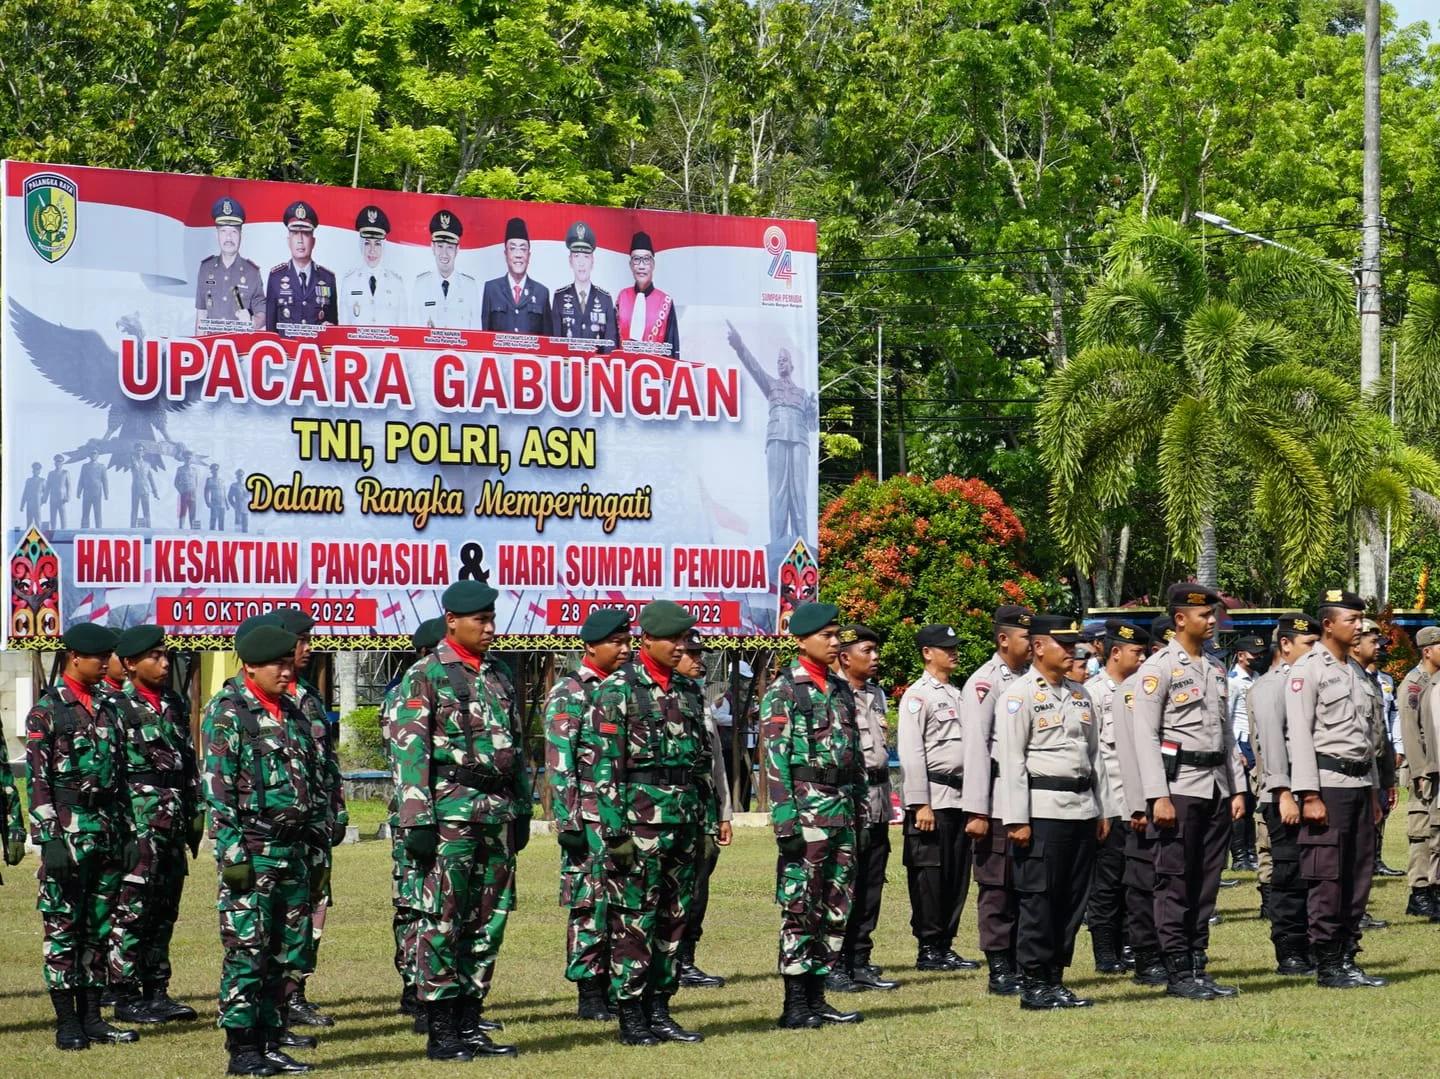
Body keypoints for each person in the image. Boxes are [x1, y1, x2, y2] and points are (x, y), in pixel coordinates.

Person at [389, 581, 526, 1059]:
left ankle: (470, 1020)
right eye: (480, 621)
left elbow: (517, 747)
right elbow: (410, 749)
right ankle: (442, 1029)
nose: (490, 628)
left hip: (495, 814)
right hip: (449, 816)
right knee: (442, 921)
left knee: (488, 921)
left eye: (492, 618)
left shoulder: (500, 675)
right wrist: (417, 820)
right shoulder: (424, 675)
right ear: (452, 621)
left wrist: (524, 807)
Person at [590, 600, 715, 1046]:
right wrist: (615, 832)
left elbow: (701, 765)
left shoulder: (688, 690)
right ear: (648, 641)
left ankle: (660, 1009)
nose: (681, 647)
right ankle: (631, 1016)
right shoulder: (616, 690)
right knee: (633, 921)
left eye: (685, 639)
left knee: (674, 919)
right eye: (673, 640)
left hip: (682, 820)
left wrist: (707, 823)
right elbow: (603, 768)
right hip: (639, 824)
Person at [203, 623, 322, 1075]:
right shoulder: (230, 712)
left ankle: (271, 1040)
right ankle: (243, 1050)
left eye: (289, 662)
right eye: (277, 664)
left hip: (293, 852)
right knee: (247, 950)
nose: (285, 670)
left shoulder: (290, 710)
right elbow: (219, 789)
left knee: (286, 952)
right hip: (253, 850)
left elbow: (310, 779)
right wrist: (233, 854)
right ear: (250, 665)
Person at [1130, 583, 1246, 1001]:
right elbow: (1145, 736)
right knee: (1174, 880)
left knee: (1206, 880)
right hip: (1178, 788)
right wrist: (1157, 795)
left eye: (1214, 614)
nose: (1213, 621)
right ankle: (1177, 970)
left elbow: (1226, 737)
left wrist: (1237, 787)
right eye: (1205, 615)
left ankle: (1198, 964)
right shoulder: (1158, 669)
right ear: (1180, 619)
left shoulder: (1215, 668)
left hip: (1214, 786)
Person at [26, 621, 139, 1052]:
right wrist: (49, 838)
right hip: (69, 835)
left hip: (108, 830)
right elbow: (38, 782)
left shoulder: (111, 706)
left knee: (99, 927)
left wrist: (129, 832)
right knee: (63, 927)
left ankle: (93, 1017)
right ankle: (67, 1022)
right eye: (101, 657)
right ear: (76, 657)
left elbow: (124, 777)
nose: (109, 664)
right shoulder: (47, 710)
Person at [762, 602, 868, 1031]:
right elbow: (774, 762)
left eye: (837, 634)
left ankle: (818, 996)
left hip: (842, 812)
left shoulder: (840, 690)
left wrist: (860, 810)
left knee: (836, 908)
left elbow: (854, 756)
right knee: (801, 907)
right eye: (826, 636)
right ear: (802, 639)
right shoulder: (785, 691)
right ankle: (794, 1004)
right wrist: (785, 822)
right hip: (807, 815)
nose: (835, 642)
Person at [998, 615, 1113, 1009]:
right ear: (1039, 646)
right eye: (1062, 644)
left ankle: (1054, 978)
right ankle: (1032, 982)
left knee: (1072, 900)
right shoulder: (1019, 695)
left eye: (1074, 644)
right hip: (1043, 810)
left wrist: (1103, 810)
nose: (1071, 651)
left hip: (1081, 809)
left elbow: (1096, 757)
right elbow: (1011, 760)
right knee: (1040, 898)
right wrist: (1016, 819)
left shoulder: (1081, 695)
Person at [1285, 589, 1386, 989]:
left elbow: (1370, 737)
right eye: (1352, 620)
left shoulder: (1357, 672)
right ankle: (1328, 963)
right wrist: (1308, 795)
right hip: (1328, 786)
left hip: (1361, 784)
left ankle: (1348, 956)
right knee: (1328, 877)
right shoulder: (1308, 670)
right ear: (1328, 625)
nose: (1359, 626)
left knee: (1359, 876)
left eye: (1361, 619)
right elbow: (1300, 736)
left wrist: (1376, 791)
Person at [105, 625, 202, 1024]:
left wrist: (195, 807)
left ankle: (156, 989)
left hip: (172, 820)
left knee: (165, 908)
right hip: (139, 822)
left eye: (166, 656)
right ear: (130, 664)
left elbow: (187, 758)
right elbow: (108, 773)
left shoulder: (173, 702)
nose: (164, 664)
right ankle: (124, 994)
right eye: (155, 657)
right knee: (131, 909)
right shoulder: (115, 707)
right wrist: (122, 828)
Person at [542, 607, 633, 1020]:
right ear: (590, 647)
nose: (624, 649)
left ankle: (618, 984)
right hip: (590, 818)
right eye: (615, 643)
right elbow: (559, 762)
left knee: (624, 904)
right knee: (590, 904)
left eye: (627, 641)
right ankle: (590, 992)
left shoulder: (626, 689)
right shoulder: (571, 692)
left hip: (624, 816)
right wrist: (569, 823)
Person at [274, 607, 348, 1028]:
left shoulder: (310, 697)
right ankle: (278, 997)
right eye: (301, 641)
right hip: (281, 829)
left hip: (316, 828)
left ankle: (296, 990)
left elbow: (327, 762)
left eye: (308, 640)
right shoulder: (266, 698)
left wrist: (337, 811)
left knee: (314, 907)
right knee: (280, 913)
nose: (308, 648)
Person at [959, 604, 1034, 995]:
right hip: (998, 802)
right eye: (1026, 637)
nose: (1034, 644)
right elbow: (974, 749)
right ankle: (1000, 967)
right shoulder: (985, 683)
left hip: (1033, 800)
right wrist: (976, 810)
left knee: (1029, 885)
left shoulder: (1035, 679)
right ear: (1004, 639)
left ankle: (1025, 960)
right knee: (998, 887)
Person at [897, 623, 979, 973]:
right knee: (930, 877)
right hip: (934, 796)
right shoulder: (918, 696)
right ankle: (929, 947)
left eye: (955, 646)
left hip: (961, 798)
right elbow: (912, 752)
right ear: (927, 652)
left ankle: (946, 944)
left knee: (957, 876)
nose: (954, 652)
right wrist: (920, 803)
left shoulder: (957, 693)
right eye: (946, 647)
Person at [1248, 613, 1320, 976]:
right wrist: (1283, 792)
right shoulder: (1271, 686)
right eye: (1309, 645)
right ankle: (1290, 951)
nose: (1314, 652)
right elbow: (1272, 745)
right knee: (1290, 874)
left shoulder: (1310, 679)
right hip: (1285, 794)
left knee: (1318, 874)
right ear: (1286, 645)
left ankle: (1317, 945)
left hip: (1314, 790)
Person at [828, 624, 897, 993]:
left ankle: (860, 960)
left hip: (879, 800)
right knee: (844, 887)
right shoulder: (832, 693)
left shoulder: (876, 694)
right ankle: (835, 963)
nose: (875, 658)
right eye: (867, 651)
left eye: (875, 650)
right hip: (849, 803)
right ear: (845, 656)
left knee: (872, 885)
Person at [384, 617, 444, 1030]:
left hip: (447, 813)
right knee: (415, 904)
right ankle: (416, 989)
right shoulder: (406, 691)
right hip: (415, 812)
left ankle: (440, 995)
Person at [1111, 616, 1175, 989]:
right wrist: (1138, 804)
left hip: (1178, 794)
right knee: (1143, 884)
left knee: (1174, 883)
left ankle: (1176, 952)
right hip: (1145, 804)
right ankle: (1146, 956)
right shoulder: (1134, 690)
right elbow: (1129, 751)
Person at [1083, 619, 1149, 975]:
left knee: (1135, 880)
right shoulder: (1091, 694)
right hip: (1109, 803)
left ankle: (1130, 944)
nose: (1142, 659)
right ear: (1115, 652)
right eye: (1136, 652)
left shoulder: (1145, 690)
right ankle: (1105, 951)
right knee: (1107, 883)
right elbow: (1090, 756)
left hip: (1139, 801)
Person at [726, 321, 817, 557]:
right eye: (777, 360)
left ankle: (802, 544)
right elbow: (753, 366)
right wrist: (740, 346)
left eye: (784, 359)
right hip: (777, 436)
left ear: (792, 365)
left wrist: (813, 410)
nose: (780, 363)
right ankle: (778, 544)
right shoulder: (771, 385)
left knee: (799, 493)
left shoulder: (802, 394)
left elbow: (813, 425)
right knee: (778, 492)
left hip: (798, 438)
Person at [676, 628, 733, 990]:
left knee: (698, 888)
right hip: (666, 813)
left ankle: (686, 960)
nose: (700, 661)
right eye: (692, 654)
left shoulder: (701, 699)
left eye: (701, 654)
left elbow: (717, 765)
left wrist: (725, 813)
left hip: (703, 812)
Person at [1353, 619, 1397, 930]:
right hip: (1353, 774)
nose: (1378, 647)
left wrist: (1389, 779)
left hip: (1376, 770)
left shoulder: (1375, 680)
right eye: (1372, 640)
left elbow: (1382, 735)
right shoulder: (1349, 678)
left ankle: (1357, 909)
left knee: (1367, 843)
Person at [1406, 627, 1440, 917]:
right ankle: (1419, 893)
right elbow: (1409, 730)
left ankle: (1433, 887)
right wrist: (1418, 771)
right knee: (1421, 832)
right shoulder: (1415, 683)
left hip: (1436, 764)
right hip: (1424, 770)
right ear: (1427, 650)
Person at [265, 201, 337, 337]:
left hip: (317, 354)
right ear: (288, 240)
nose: (300, 240)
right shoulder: (276, 277)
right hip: (287, 355)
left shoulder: (327, 278)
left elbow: (334, 327)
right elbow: (270, 330)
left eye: (305, 233)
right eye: (295, 233)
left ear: (313, 241)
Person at [195, 196, 265, 333]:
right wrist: (199, 348)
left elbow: (262, 312)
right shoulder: (205, 269)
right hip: (211, 349)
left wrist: (252, 322)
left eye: (233, 231)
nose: (228, 238)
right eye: (223, 231)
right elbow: (201, 314)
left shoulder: (252, 272)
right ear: (217, 235)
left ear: (241, 235)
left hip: (240, 351)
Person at [1229, 635, 1265, 871]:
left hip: (1255, 745)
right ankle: (1240, 856)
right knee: (1241, 803)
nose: (1258, 658)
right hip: (1241, 744)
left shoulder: (1258, 679)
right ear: (1241, 655)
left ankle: (1252, 852)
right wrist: (1234, 752)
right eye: (1254, 654)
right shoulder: (1232, 682)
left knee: (1253, 803)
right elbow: (1227, 718)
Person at [551, 220, 616, 350]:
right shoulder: (559, 297)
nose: (581, 263)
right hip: (568, 368)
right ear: (570, 260)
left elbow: (611, 345)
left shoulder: (605, 299)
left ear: (592, 261)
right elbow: (554, 343)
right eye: (576, 256)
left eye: (586, 256)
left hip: (596, 367)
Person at [481, 217, 552, 335]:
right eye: (513, 249)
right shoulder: (491, 289)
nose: (518, 255)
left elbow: (548, 340)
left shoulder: (541, 292)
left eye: (523, 249)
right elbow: (485, 334)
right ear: (506, 254)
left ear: (529, 255)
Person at [412, 209, 480, 329]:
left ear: (457, 249)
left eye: (450, 247)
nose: (444, 253)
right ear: (432, 247)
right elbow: (415, 330)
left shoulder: (470, 286)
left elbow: (476, 331)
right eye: (440, 246)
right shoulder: (421, 285)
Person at [341, 205, 408, 325]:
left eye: (377, 244)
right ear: (361, 245)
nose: (372, 250)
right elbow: (344, 327)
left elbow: (402, 327)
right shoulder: (349, 282)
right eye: (367, 243)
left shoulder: (396, 283)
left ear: (384, 246)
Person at [616, 232, 678, 354]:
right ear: (630, 265)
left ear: (653, 264)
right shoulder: (622, 297)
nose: (641, 266)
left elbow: (672, 347)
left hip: (655, 369)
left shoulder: (665, 301)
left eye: (646, 260)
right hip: (624, 368)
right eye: (636, 260)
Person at [128, 450, 158, 529]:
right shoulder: (132, 463)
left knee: (146, 510)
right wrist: (131, 459)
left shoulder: (147, 464)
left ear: (143, 452)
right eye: (137, 450)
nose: (139, 452)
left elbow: (151, 478)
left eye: (141, 450)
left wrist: (155, 491)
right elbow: (128, 466)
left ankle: (148, 528)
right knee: (134, 510)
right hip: (135, 489)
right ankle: (132, 528)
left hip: (145, 489)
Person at [78, 451, 109, 529]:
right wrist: (78, 491)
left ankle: (99, 529)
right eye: (91, 453)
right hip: (87, 493)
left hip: (97, 493)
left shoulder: (102, 467)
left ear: (98, 455)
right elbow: (81, 479)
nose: (93, 455)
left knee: (97, 513)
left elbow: (105, 481)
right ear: (89, 455)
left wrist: (106, 494)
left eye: (95, 454)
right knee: (85, 513)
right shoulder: (84, 466)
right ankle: (84, 530)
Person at [174, 451, 200, 530]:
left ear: (191, 459)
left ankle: (193, 530)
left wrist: (194, 491)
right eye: (186, 458)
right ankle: (181, 528)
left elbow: (196, 482)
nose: (188, 460)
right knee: (183, 511)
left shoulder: (195, 470)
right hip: (184, 492)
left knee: (193, 512)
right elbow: (176, 483)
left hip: (192, 493)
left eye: (189, 458)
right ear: (184, 459)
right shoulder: (180, 469)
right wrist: (181, 491)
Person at [46, 454, 70, 531]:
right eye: (57, 461)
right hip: (53, 497)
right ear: (54, 463)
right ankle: (53, 531)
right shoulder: (51, 474)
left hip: (62, 498)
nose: (58, 463)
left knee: (62, 515)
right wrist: (45, 498)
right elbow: (47, 487)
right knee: (53, 516)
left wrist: (68, 496)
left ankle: (64, 530)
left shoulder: (65, 472)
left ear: (62, 463)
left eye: (60, 461)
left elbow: (68, 485)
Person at [23, 461, 45, 526]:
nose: (35, 471)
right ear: (32, 470)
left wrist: (43, 501)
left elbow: (46, 492)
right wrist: (22, 505)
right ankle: (28, 534)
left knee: (38, 521)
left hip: (37, 504)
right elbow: (25, 493)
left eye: (37, 469)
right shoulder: (28, 480)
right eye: (34, 469)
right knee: (29, 522)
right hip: (29, 503)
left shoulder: (42, 481)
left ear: (40, 471)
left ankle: (39, 534)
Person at [204, 463, 225, 531]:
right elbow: (206, 491)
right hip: (214, 503)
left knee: (221, 522)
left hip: (222, 503)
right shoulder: (209, 480)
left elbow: (224, 492)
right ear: (211, 470)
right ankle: (212, 536)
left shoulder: (221, 480)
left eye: (217, 469)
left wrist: (227, 504)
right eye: (214, 469)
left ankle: (221, 538)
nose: (216, 471)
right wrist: (207, 502)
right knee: (213, 520)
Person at [228, 468, 249, 534]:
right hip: (238, 507)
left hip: (245, 508)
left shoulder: (246, 485)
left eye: (241, 475)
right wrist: (234, 505)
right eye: (239, 475)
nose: (240, 477)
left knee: (245, 526)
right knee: (238, 526)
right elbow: (230, 497)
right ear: (236, 476)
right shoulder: (234, 485)